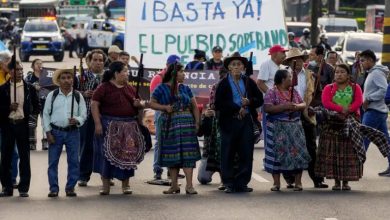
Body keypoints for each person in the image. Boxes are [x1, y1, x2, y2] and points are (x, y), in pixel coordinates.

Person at [91, 61, 147, 195]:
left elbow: (140, 105)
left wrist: (139, 105)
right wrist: (98, 123)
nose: (127, 74)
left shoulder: (130, 88)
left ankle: (125, 185)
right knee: (106, 155)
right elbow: (94, 104)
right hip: (108, 125)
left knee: (128, 155)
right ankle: (105, 186)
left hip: (128, 126)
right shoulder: (103, 87)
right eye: (125, 72)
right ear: (116, 73)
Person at [214, 52, 263, 193]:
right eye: (233, 64)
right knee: (227, 152)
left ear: (243, 67)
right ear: (229, 67)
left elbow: (259, 99)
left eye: (239, 64)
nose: (236, 67)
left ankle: (242, 183)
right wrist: (236, 108)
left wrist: (249, 102)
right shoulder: (223, 83)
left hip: (246, 121)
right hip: (229, 122)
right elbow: (218, 103)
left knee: (246, 152)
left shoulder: (249, 81)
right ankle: (228, 183)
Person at [149, 62, 201, 194]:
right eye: (181, 71)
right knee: (172, 154)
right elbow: (152, 103)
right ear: (174, 73)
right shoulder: (161, 88)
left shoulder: (185, 88)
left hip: (187, 125)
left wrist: (197, 123)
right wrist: (164, 108)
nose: (184, 74)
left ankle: (189, 186)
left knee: (188, 155)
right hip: (169, 124)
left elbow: (194, 106)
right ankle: (174, 185)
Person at [282, 48, 328, 188]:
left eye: (301, 59)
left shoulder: (311, 75)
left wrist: (314, 106)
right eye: (294, 60)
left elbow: (318, 94)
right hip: (290, 114)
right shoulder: (284, 75)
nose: (298, 62)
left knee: (311, 147)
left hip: (307, 114)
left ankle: (317, 179)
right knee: (290, 147)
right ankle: (290, 179)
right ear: (289, 63)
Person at [315, 64, 365, 190]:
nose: (339, 74)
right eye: (337, 72)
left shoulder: (355, 87)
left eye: (342, 72)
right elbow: (326, 103)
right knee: (333, 153)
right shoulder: (329, 88)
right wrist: (341, 109)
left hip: (350, 123)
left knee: (348, 153)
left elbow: (358, 102)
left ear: (348, 75)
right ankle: (337, 182)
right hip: (332, 124)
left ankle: (346, 181)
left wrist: (348, 111)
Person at [263, 69, 310, 191]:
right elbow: (267, 108)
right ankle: (276, 183)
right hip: (276, 127)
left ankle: (298, 183)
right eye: (289, 77)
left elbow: (303, 104)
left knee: (298, 153)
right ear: (283, 79)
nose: (292, 79)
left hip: (294, 127)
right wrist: (284, 107)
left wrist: (296, 106)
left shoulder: (293, 92)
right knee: (275, 154)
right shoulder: (271, 92)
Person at [43, 69, 87, 197]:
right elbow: (46, 114)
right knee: (53, 162)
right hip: (56, 132)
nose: (67, 80)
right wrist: (48, 132)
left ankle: (70, 187)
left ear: (73, 80)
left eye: (69, 77)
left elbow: (83, 114)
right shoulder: (53, 95)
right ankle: (53, 188)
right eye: (63, 78)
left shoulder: (78, 96)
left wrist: (77, 120)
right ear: (59, 80)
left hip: (73, 132)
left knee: (73, 161)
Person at [0, 61, 39, 197]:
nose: (19, 72)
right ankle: (7, 187)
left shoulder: (29, 88)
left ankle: (23, 188)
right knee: (6, 157)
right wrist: (8, 108)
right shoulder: (3, 89)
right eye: (16, 70)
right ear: (10, 72)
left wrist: (31, 120)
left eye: (21, 70)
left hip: (23, 125)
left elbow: (36, 106)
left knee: (24, 157)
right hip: (8, 125)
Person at [77, 49, 106, 187]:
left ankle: (106, 175)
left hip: (104, 116)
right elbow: (71, 92)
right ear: (89, 61)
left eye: (101, 60)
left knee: (104, 147)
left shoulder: (108, 77)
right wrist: (83, 93)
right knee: (86, 146)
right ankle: (83, 175)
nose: (98, 63)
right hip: (86, 116)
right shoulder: (81, 76)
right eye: (95, 60)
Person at [149, 54, 180, 180]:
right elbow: (154, 100)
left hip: (173, 113)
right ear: (167, 65)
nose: (176, 69)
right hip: (161, 112)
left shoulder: (176, 79)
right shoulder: (158, 78)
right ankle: (157, 170)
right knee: (160, 141)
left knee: (172, 142)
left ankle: (171, 170)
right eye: (174, 66)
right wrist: (164, 108)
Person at [359, 49, 390, 176]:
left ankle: (355, 166)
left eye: (363, 60)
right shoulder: (372, 72)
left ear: (371, 60)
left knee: (363, 138)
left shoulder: (377, 73)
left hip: (375, 111)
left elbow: (384, 90)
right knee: (385, 141)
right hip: (377, 111)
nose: (361, 63)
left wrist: (369, 98)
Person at [197, 67, 228, 188]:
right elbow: (200, 132)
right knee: (203, 178)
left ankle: (225, 178)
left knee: (225, 152)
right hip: (209, 152)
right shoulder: (215, 87)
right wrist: (205, 115)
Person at [25, 59, 47, 150]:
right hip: (33, 103)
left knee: (45, 123)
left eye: (41, 63)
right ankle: (31, 143)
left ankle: (46, 142)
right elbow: (25, 87)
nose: (39, 65)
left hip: (45, 102)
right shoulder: (29, 77)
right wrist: (34, 87)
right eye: (37, 63)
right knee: (31, 124)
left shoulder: (47, 76)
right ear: (33, 66)